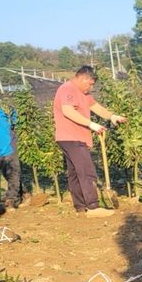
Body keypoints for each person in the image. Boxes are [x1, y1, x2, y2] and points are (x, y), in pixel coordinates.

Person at [53, 65, 126, 217]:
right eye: (90, 84)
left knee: (75, 173)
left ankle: (80, 206)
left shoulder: (82, 92)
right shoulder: (68, 89)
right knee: (86, 171)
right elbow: (68, 111)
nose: (91, 87)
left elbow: (95, 106)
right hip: (72, 136)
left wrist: (111, 116)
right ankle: (93, 207)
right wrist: (92, 124)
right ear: (82, 78)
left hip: (69, 138)